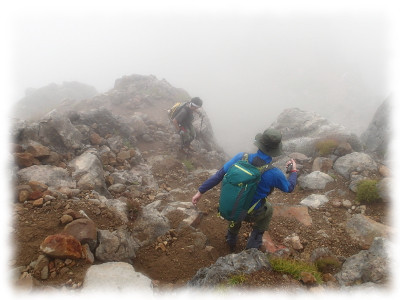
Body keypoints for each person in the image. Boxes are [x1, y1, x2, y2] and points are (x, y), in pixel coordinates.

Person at [191, 128, 298, 251]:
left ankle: (231, 239)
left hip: (234, 208)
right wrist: (293, 171)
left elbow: (219, 175)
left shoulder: (241, 157)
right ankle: (252, 247)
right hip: (252, 213)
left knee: (239, 198)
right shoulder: (274, 173)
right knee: (268, 210)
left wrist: (200, 192)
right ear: (275, 150)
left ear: (259, 144)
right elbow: (289, 188)